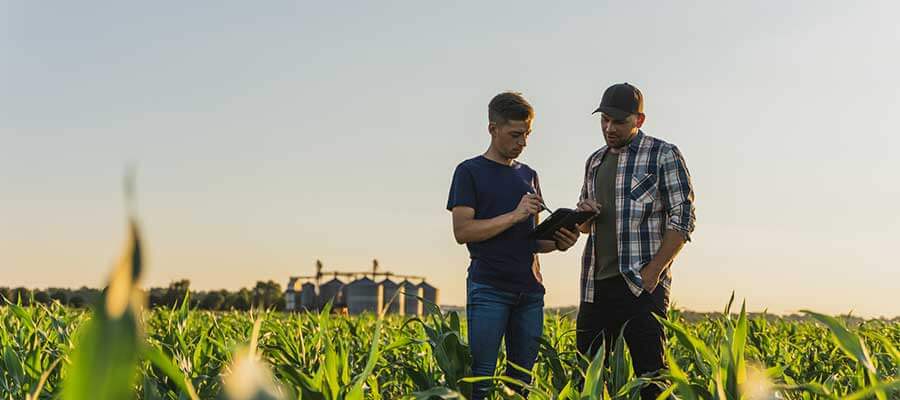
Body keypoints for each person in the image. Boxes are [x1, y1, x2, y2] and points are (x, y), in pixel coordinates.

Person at [447, 91, 579, 399]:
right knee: (480, 380)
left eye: (527, 134)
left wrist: (560, 242)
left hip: (530, 292)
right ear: (492, 128)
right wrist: (515, 214)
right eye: (515, 134)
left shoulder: (529, 175)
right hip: (489, 289)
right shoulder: (468, 172)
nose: (522, 142)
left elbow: (532, 241)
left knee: (522, 384)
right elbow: (463, 231)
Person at [574, 83, 696, 400]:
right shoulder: (594, 162)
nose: (609, 128)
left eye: (618, 122)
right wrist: (583, 215)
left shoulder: (663, 154)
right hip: (595, 286)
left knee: (652, 381)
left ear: (638, 120)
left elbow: (682, 218)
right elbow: (586, 227)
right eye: (604, 121)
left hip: (641, 286)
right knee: (588, 379)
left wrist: (654, 271)